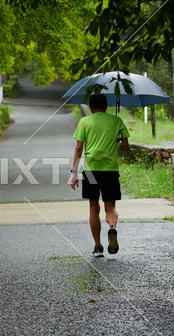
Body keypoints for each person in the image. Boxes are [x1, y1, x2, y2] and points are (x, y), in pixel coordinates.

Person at [70, 94, 130, 257]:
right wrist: (118, 139)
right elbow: (126, 147)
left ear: (90, 107)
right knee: (110, 207)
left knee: (93, 207)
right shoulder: (116, 121)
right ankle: (112, 228)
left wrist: (74, 172)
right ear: (106, 106)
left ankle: (97, 246)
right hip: (110, 169)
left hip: (91, 169)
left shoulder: (85, 122)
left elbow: (78, 148)